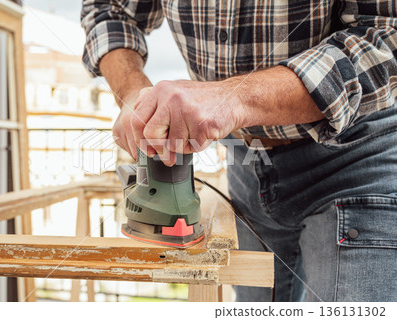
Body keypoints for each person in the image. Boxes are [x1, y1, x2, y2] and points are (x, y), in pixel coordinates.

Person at [81, 0, 397, 301]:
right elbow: (108, 8)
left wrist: (235, 98)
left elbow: (387, 30)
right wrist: (132, 92)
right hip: (243, 162)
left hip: (356, 155)